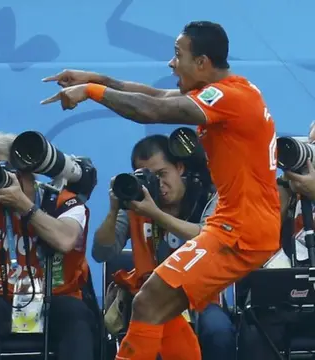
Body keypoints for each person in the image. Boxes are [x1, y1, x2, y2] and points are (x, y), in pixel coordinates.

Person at [42, 21, 281, 359]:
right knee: (160, 309)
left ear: (202, 63)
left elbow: (151, 110)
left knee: (150, 300)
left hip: (241, 230)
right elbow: (153, 95)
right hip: (236, 226)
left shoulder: (230, 96)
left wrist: (91, 93)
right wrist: (96, 79)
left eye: (177, 55)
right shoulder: (228, 92)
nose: (171, 63)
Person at [0, 132, 96, 360]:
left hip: (56, 294)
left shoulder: (62, 201)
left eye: (5, 169)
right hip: (2, 293)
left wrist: (23, 205)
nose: (0, 178)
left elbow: (65, 240)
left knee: (77, 317)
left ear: (26, 169)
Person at [93, 135, 236, 360]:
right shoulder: (135, 203)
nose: (157, 184)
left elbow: (211, 237)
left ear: (179, 167)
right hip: (149, 298)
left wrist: (155, 214)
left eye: (161, 174)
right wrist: (113, 211)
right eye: (147, 177)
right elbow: (101, 252)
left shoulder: (209, 196)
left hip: (201, 297)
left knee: (220, 332)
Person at [237, 127, 315, 359]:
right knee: (254, 326)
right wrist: (284, 187)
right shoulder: (295, 192)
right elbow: (259, 234)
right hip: (292, 293)